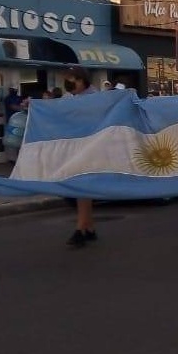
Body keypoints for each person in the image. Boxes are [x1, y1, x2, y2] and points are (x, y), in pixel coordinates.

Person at [63, 67, 100, 249]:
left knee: (82, 189)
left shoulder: (94, 97)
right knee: (82, 190)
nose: (71, 84)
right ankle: (89, 228)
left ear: (82, 80)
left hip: (90, 147)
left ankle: (80, 230)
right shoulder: (71, 98)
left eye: (74, 80)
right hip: (78, 147)